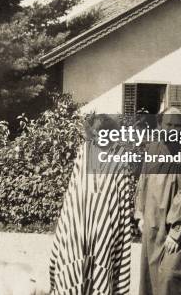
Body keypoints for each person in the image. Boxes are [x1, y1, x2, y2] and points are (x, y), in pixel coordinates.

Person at [49, 114, 133, 295]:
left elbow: (122, 196)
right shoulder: (84, 151)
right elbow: (74, 189)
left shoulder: (120, 155)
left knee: (100, 269)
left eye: (101, 134)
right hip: (78, 224)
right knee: (74, 262)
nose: (96, 138)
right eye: (93, 134)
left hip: (106, 226)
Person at [134, 107, 181, 295]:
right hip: (153, 225)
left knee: (170, 279)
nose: (172, 130)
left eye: (178, 125)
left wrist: (177, 232)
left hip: (180, 232)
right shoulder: (153, 148)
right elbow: (143, 182)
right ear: (160, 124)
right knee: (150, 279)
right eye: (168, 124)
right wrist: (140, 213)